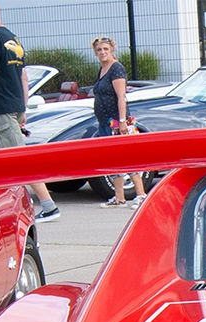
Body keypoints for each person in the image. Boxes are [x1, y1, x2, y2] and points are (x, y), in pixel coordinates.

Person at [0, 1, 60, 221]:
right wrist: (21, 106)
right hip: (10, 107)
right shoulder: (11, 38)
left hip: (1, 110)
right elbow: (22, 76)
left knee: (19, 161)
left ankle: (49, 206)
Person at [90, 36, 147, 208]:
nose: (103, 53)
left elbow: (121, 96)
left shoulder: (116, 69)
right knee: (113, 159)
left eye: (106, 49)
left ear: (112, 50)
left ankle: (141, 194)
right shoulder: (102, 70)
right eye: (99, 50)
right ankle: (119, 196)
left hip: (118, 121)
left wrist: (122, 121)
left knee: (127, 156)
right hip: (105, 122)